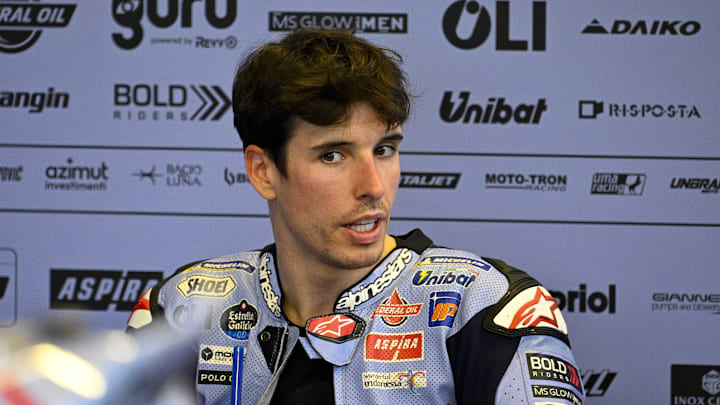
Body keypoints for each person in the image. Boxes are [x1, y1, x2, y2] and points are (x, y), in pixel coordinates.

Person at [127, 28, 585, 405]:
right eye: (333, 156)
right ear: (263, 171)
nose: (373, 186)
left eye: (384, 149)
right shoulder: (183, 311)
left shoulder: (485, 308)